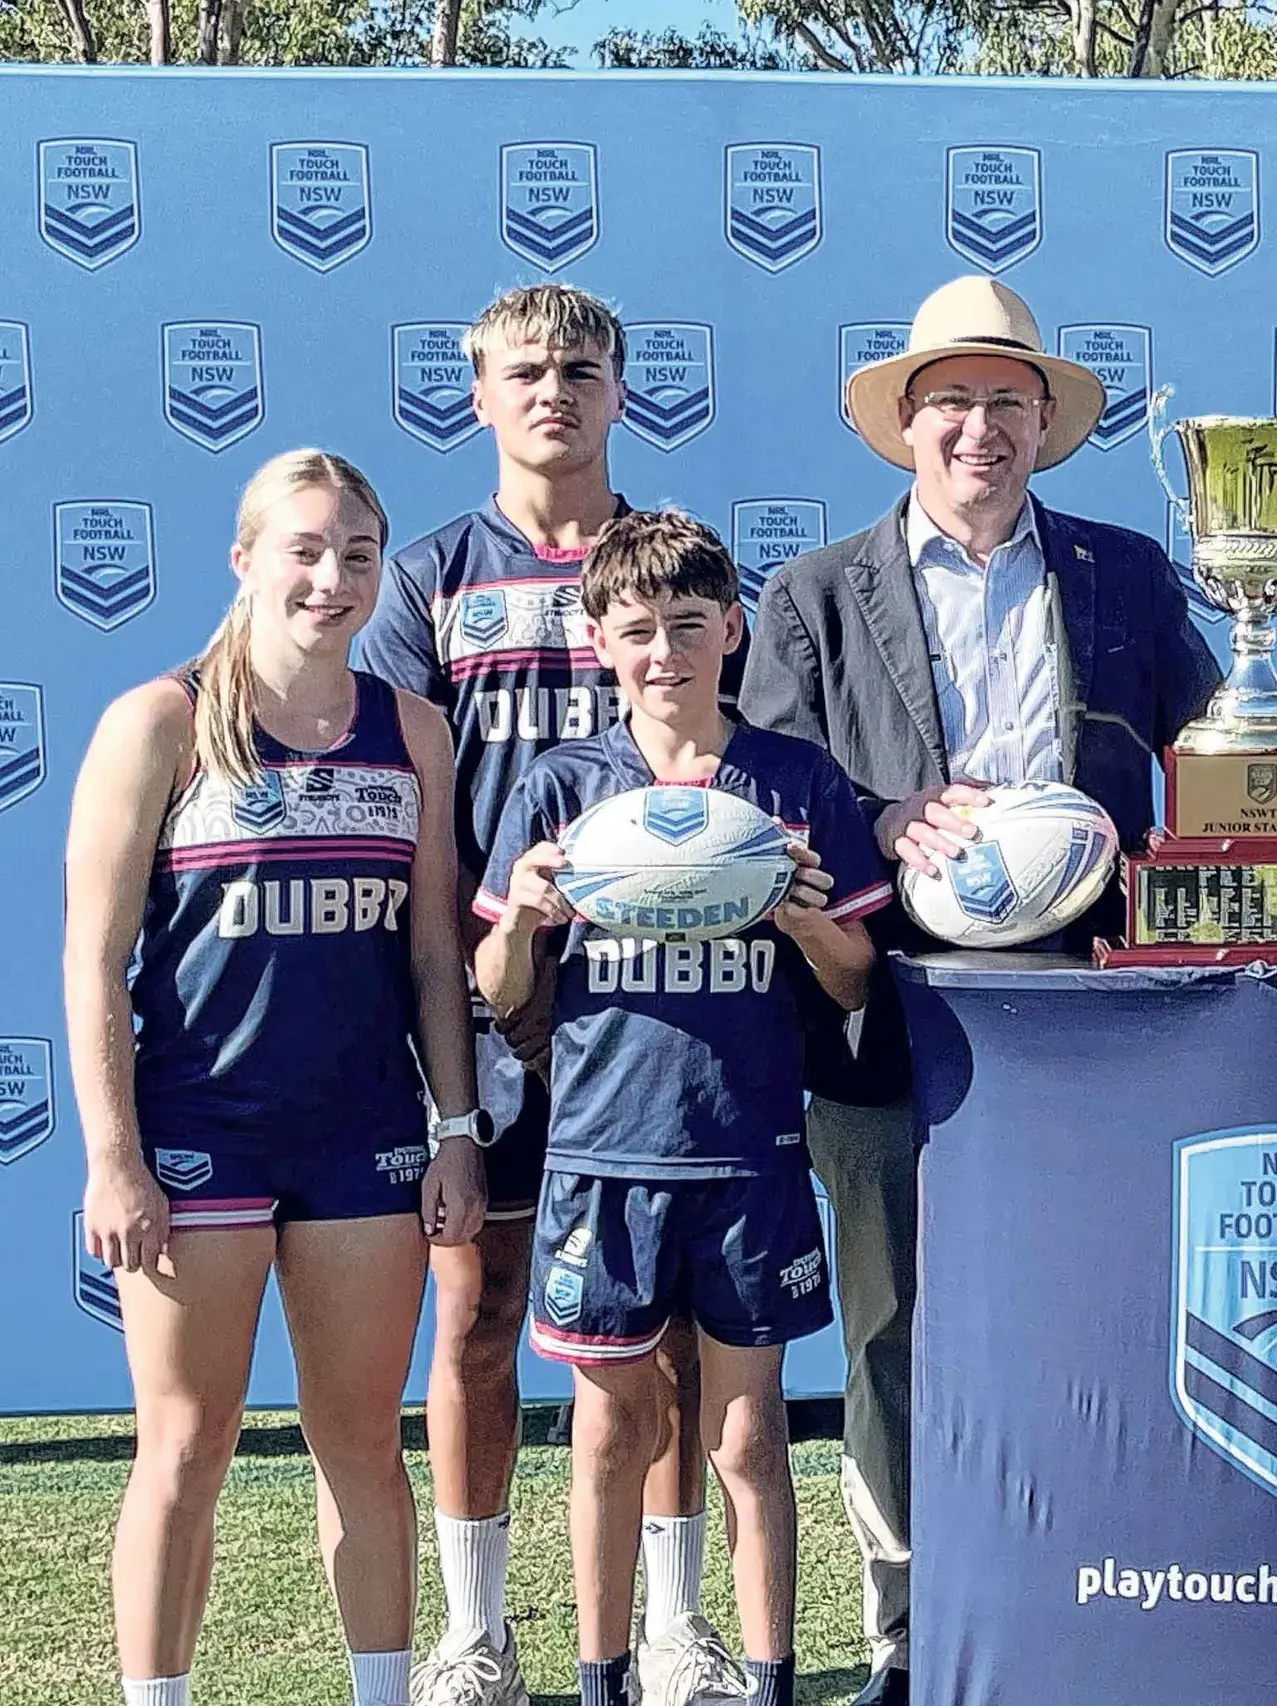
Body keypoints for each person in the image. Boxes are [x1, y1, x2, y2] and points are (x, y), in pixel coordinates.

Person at [739, 273, 1219, 1705]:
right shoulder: (814, 595)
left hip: (1091, 1018)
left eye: (1009, 398)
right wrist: (882, 816)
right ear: (906, 421)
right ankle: (906, 1631)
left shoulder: (1129, 574)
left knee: (1094, 1314)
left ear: (1044, 421)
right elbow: (765, 789)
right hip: (883, 1007)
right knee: (892, 1327)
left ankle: (1083, 1598)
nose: (980, 426)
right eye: (951, 398)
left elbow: (1210, 754)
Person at [355, 285, 736, 1706]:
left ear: (622, 389)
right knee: (478, 1308)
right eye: (523, 370)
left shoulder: (672, 561)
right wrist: (480, 963)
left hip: (658, 999)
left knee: (664, 1320)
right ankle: (476, 1633)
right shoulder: (432, 578)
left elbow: (730, 758)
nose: (552, 390)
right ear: (478, 395)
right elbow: (408, 802)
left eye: (580, 366)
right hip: (491, 994)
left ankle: (678, 1625)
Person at [66, 450, 488, 1706]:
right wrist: (113, 1156)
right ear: (245, 558)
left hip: (363, 1139)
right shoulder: (159, 721)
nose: (331, 578)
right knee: (185, 1446)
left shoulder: (412, 730)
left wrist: (456, 1128)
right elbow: (92, 960)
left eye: (357, 553)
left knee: (360, 1443)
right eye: (304, 549)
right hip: (200, 1134)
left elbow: (432, 953)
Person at [475, 509, 892, 1706]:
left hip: (749, 1150)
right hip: (602, 1152)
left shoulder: (793, 782)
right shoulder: (565, 788)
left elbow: (855, 977)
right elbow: (498, 990)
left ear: (733, 630)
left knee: (748, 1432)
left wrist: (802, 918)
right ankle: (601, 1678)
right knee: (609, 1429)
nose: (665, 652)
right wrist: (526, 918)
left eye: (690, 624)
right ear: (601, 641)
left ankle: (767, 1678)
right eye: (639, 629)